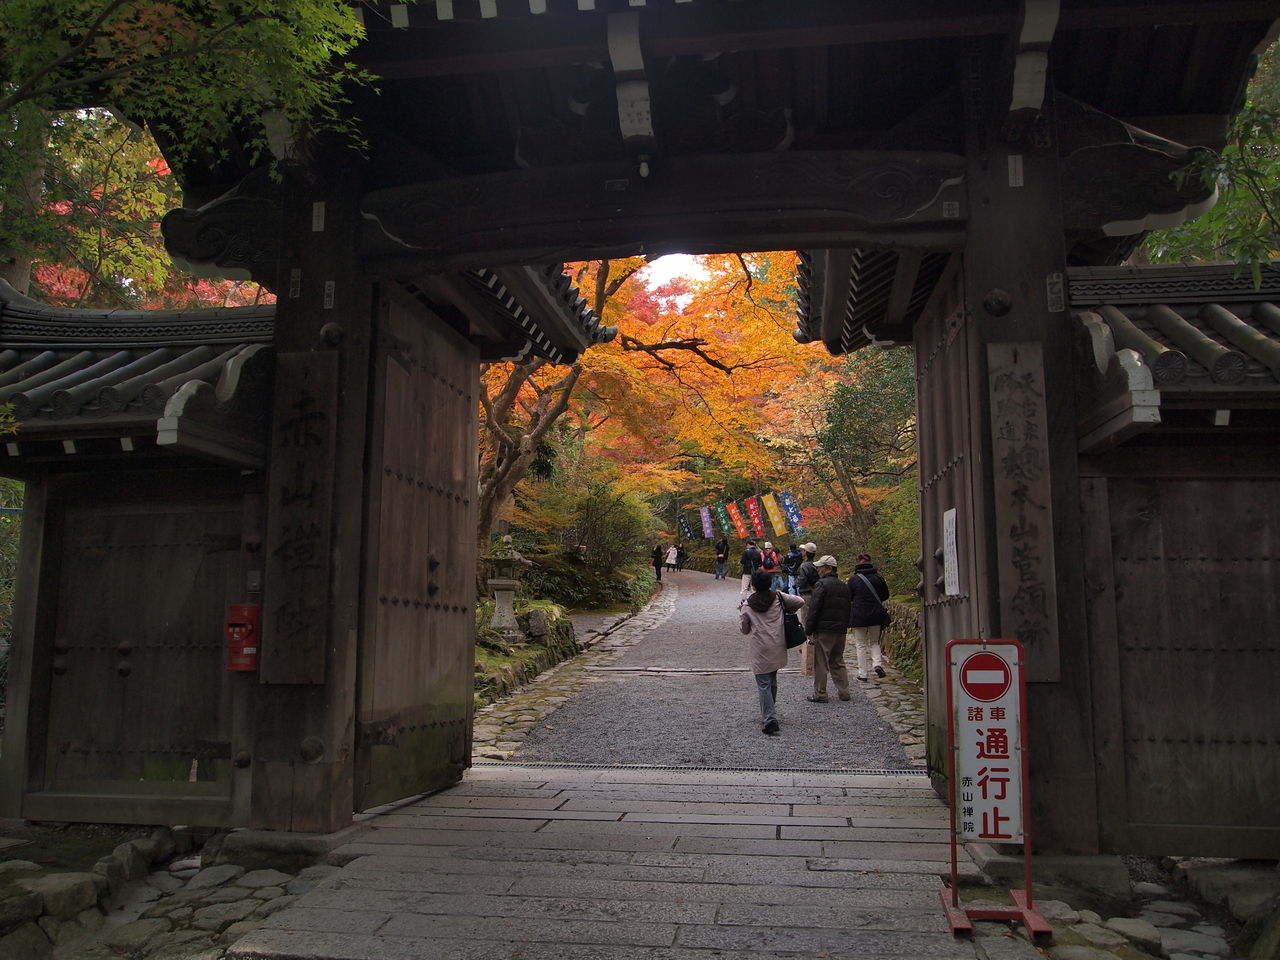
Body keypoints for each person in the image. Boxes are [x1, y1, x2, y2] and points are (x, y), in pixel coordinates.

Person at [738, 569, 804, 735]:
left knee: (763, 684)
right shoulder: (778, 597)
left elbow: (744, 629)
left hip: (760, 648)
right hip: (777, 644)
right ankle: (770, 711)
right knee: (772, 680)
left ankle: (769, 719)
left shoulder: (747, 606)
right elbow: (800, 601)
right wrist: (787, 611)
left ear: (753, 586)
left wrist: (742, 614)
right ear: (770, 583)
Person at [803, 555, 852, 703]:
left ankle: (820, 693)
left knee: (821, 662)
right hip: (840, 629)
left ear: (829, 568)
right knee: (838, 661)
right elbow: (848, 608)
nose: (818, 570)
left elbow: (814, 609)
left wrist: (808, 629)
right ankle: (844, 692)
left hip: (824, 629)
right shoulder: (844, 586)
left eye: (820, 567)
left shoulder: (821, 585)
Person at [848, 552, 891, 681]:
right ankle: (877, 664)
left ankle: (863, 674)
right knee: (874, 642)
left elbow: (849, 597)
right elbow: (885, 595)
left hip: (859, 615)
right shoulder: (878, 577)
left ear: (857, 563)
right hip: (875, 614)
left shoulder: (853, 580)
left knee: (860, 644)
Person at [794, 542, 820, 618]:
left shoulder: (804, 566)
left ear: (805, 552)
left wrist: (796, 584)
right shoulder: (816, 565)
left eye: (803, 550)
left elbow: (802, 579)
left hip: (806, 593)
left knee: (805, 617)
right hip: (815, 592)